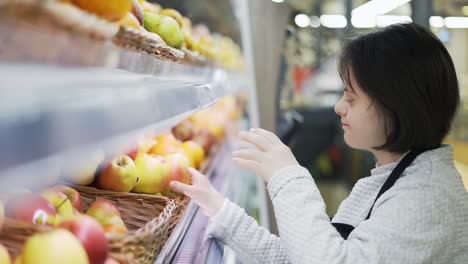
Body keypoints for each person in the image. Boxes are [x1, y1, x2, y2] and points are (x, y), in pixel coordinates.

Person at [169, 23, 468, 263]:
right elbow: (302, 255)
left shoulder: (427, 198)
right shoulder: (391, 177)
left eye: (351, 98)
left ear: (397, 106)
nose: (339, 107)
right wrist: (218, 208)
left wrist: (288, 177)